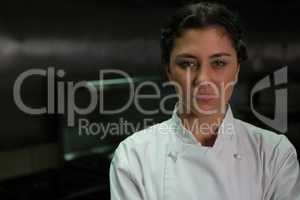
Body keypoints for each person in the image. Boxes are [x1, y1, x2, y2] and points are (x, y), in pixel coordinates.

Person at [109, 2, 300, 200]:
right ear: (168, 70)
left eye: (219, 63)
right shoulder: (133, 157)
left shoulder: (274, 154)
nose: (203, 79)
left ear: (236, 70)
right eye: (187, 63)